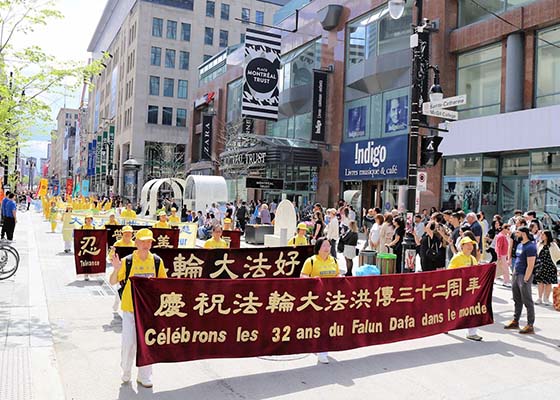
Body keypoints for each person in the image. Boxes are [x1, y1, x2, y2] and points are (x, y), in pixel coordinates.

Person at [109, 228, 166, 388]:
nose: (147, 245)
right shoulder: (127, 261)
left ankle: (144, 376)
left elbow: (163, 284)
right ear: (136, 243)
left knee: (147, 345)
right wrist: (116, 269)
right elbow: (113, 282)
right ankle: (126, 371)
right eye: (143, 241)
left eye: (149, 241)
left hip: (148, 312)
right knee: (129, 344)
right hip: (130, 311)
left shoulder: (156, 261)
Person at [300, 237, 340, 364]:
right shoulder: (310, 261)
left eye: (329, 246)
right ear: (318, 248)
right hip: (315, 298)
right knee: (317, 323)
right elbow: (302, 276)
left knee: (326, 323)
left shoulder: (334, 260)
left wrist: (340, 278)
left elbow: (337, 274)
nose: (327, 248)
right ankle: (320, 349)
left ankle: (321, 348)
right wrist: (313, 280)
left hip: (330, 298)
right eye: (324, 246)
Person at [448, 237, 483, 341]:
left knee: (472, 310)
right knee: (453, 310)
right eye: (467, 244)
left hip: (469, 289)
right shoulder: (457, 258)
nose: (470, 247)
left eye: (471, 245)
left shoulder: (473, 259)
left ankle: (472, 332)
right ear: (462, 246)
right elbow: (448, 273)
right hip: (458, 289)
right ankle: (446, 326)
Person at [504, 226, 537, 334]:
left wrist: (526, 279)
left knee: (527, 300)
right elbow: (517, 259)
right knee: (517, 298)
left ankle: (530, 325)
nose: (515, 234)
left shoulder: (530, 247)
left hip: (524, 275)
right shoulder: (519, 245)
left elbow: (530, 265)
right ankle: (515, 320)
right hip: (516, 273)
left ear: (523, 233)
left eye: (517, 232)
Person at [534, 230, 559, 306]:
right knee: (540, 282)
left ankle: (546, 298)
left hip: (550, 266)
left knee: (548, 283)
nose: (541, 236)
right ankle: (539, 298)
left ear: (547, 236)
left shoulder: (553, 245)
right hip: (540, 265)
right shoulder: (539, 244)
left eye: (543, 235)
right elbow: (536, 254)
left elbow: (558, 254)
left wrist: (554, 261)